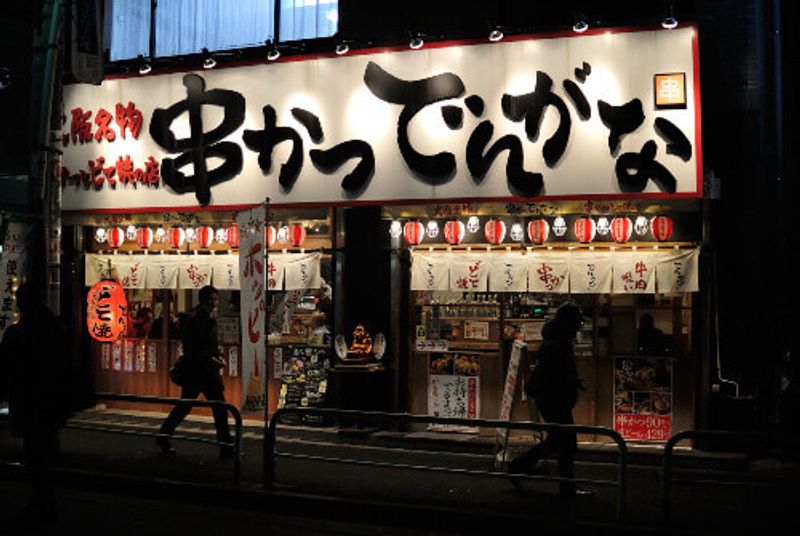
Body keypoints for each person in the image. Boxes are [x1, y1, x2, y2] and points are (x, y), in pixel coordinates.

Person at [0, 283, 69, 523]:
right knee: (44, 452)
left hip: (29, 401)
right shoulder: (55, 329)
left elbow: (5, 370)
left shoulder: (17, 334)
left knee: (34, 455)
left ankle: (42, 502)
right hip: (50, 402)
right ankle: (45, 502)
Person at [509, 301, 586, 498]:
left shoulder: (556, 339)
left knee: (558, 441)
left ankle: (519, 467)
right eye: (577, 320)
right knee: (566, 442)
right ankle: (565, 487)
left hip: (551, 398)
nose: (579, 324)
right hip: (554, 399)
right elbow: (555, 373)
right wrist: (571, 381)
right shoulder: (556, 343)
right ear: (568, 322)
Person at [156, 285, 234, 459]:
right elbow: (195, 348)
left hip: (201, 371)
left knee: (200, 406)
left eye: (215, 299)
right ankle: (225, 445)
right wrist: (214, 356)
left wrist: (215, 355)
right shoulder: (199, 321)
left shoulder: (199, 319)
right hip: (201, 371)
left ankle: (164, 435)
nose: (214, 302)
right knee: (215, 407)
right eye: (211, 299)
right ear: (203, 300)